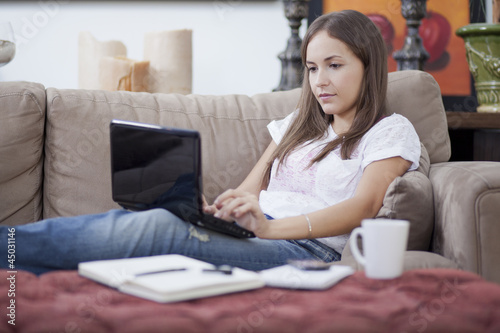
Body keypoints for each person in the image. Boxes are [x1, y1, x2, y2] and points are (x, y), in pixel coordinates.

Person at [1, 10, 420, 275]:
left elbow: (363, 207)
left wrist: (270, 228)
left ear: (369, 66)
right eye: (312, 68)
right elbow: (247, 190)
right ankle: (15, 253)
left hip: (306, 253)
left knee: (160, 230)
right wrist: (219, 210)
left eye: (334, 65)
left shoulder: (389, 130)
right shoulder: (299, 123)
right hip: (255, 234)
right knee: (162, 219)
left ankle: (9, 248)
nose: (319, 81)